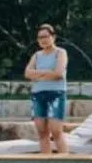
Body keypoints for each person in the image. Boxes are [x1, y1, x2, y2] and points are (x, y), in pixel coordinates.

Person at [23, 23, 70, 154]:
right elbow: (27, 73)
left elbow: (58, 74)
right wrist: (48, 73)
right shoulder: (36, 55)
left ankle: (65, 162)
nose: (42, 40)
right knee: (42, 132)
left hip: (56, 94)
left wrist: (37, 75)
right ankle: (46, 161)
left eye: (45, 36)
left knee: (56, 131)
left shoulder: (60, 53)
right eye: (40, 37)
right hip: (38, 95)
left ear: (53, 37)